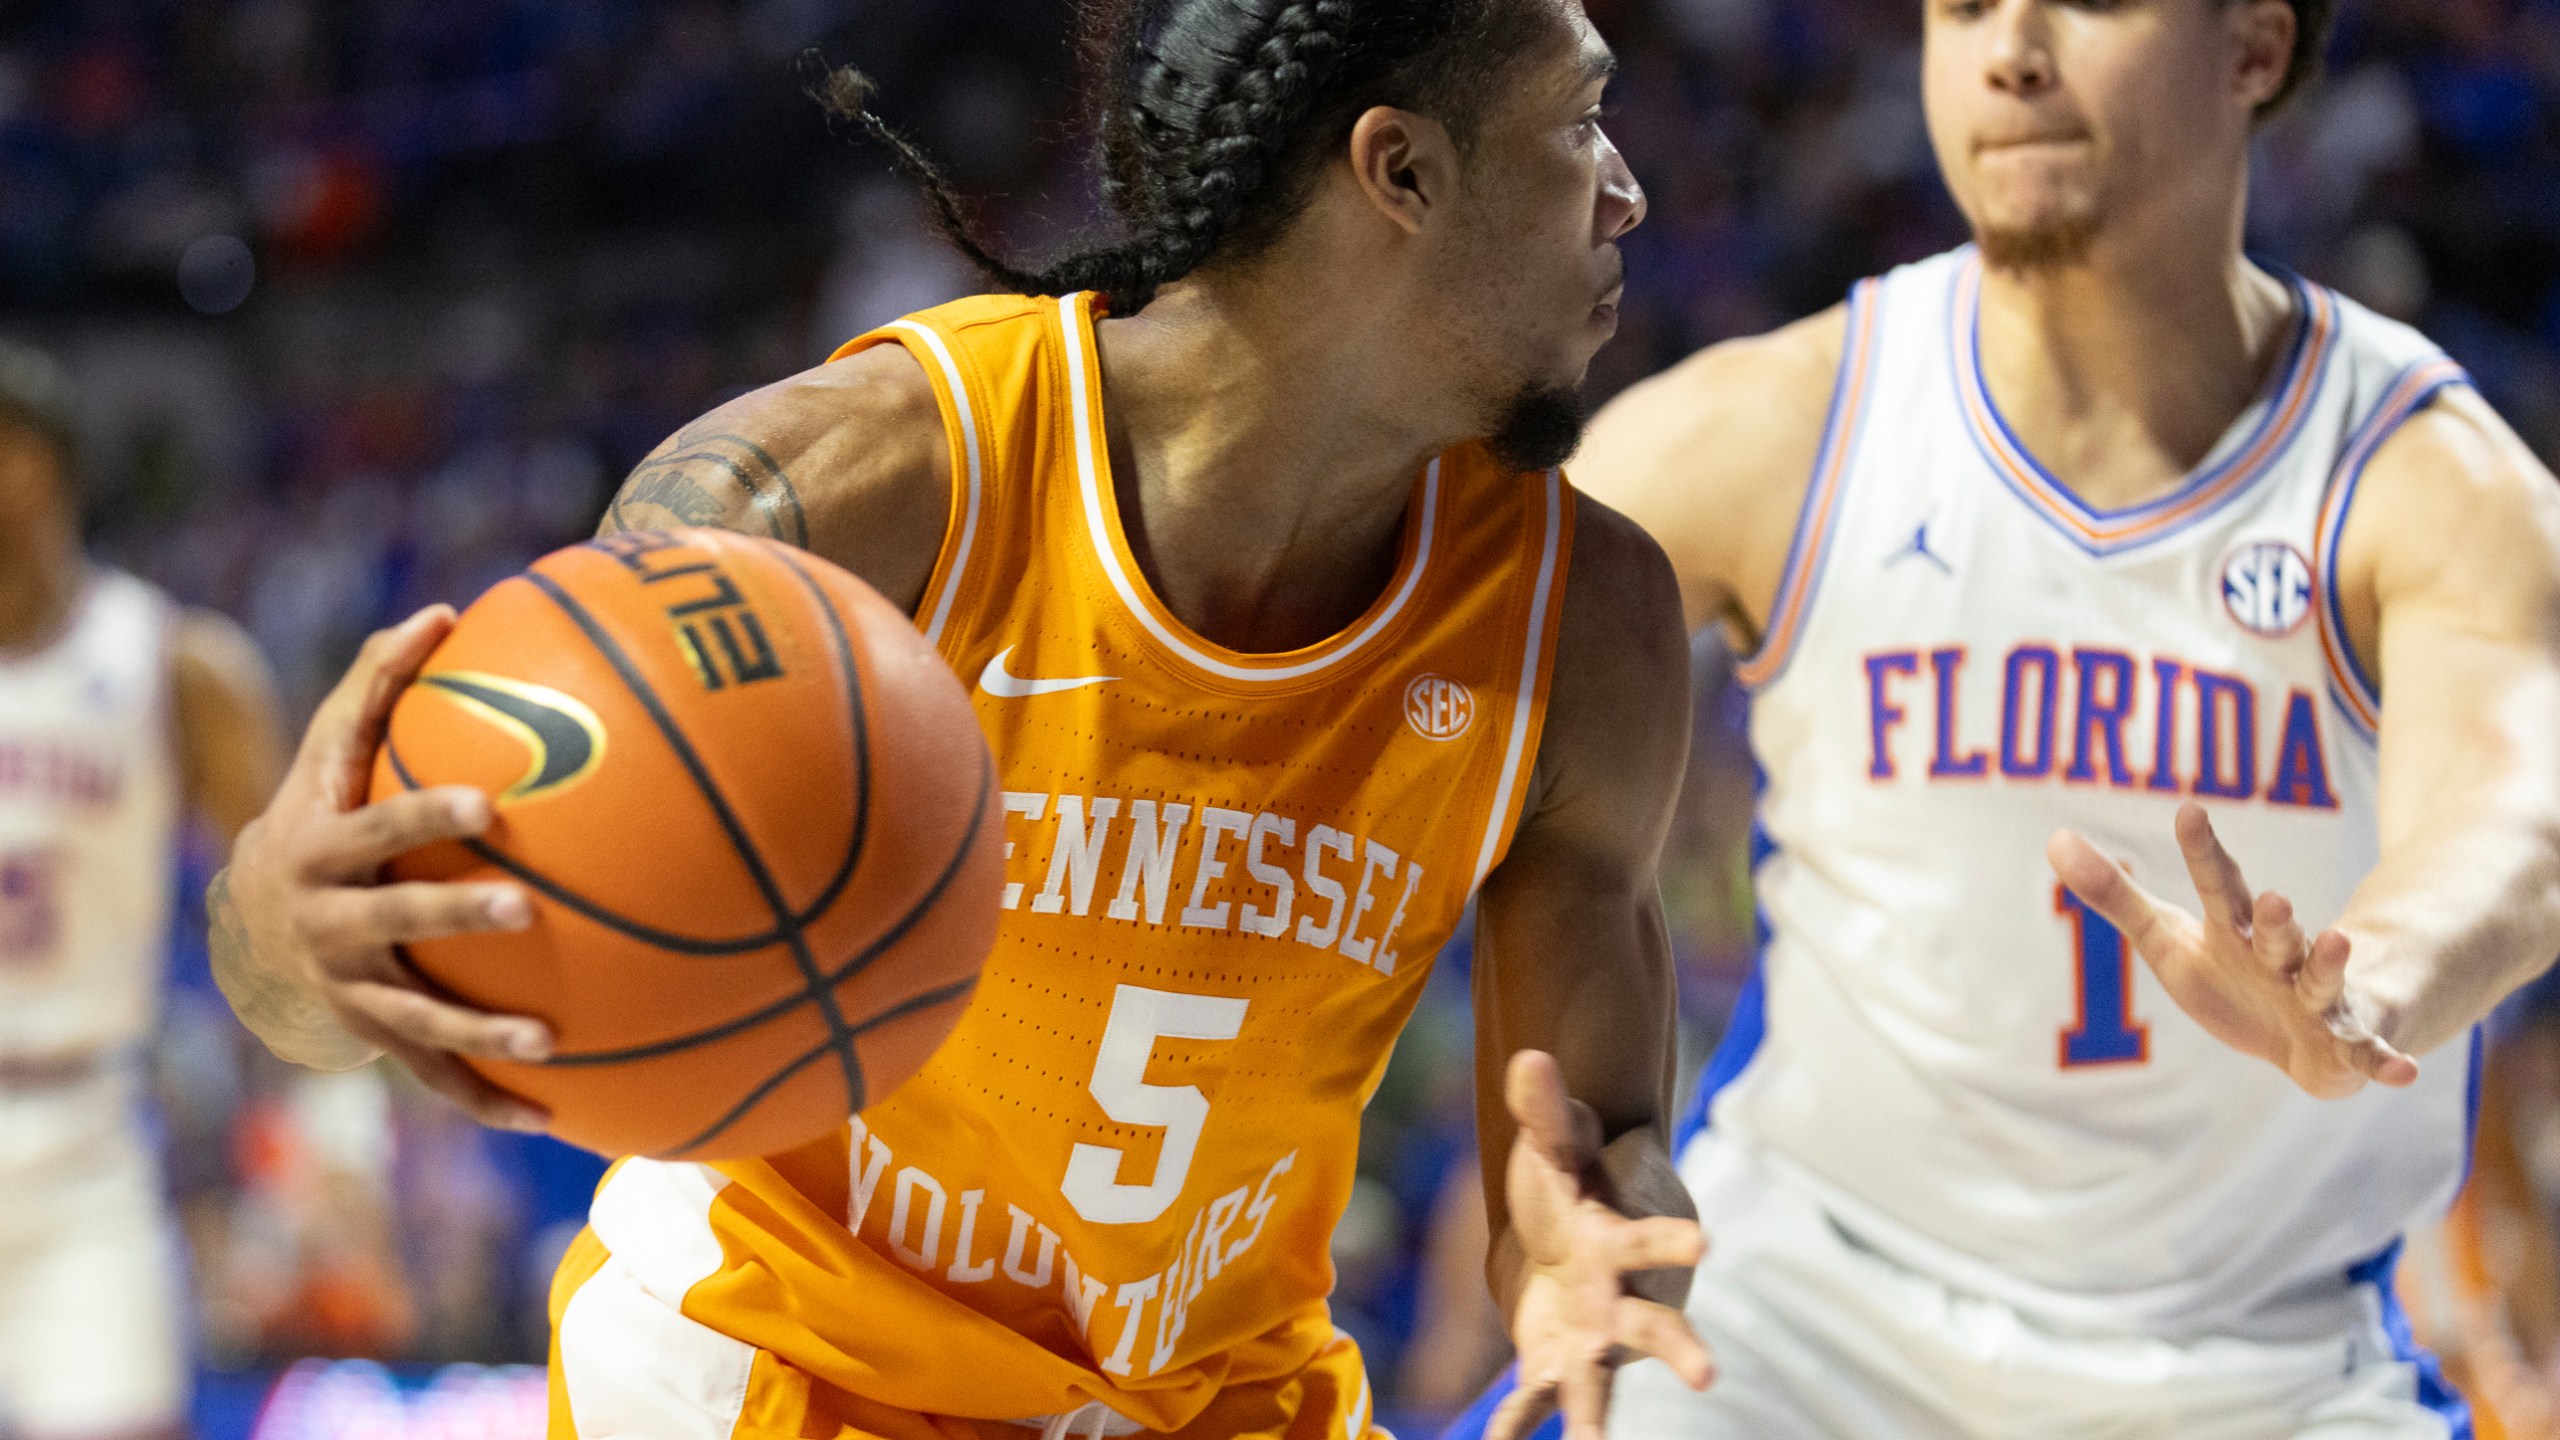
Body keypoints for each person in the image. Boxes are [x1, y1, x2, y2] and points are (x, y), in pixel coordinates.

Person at [203, 2, 1719, 1437]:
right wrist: (285, 933)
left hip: (1215, 1394)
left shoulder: (1584, 629)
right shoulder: (851, 492)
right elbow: (344, 987)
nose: (1629, 194)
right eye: (1583, 120)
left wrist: (1596, 1240)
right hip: (782, 1357)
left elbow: (1572, 1173)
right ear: (1399, 169)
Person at [1445, 0, 2560, 1435]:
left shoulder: (2424, 476)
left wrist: (2363, 985)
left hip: (2258, 1373)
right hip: (1795, 1315)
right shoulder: (1790, 422)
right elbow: (1420, 654)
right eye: (1961, 7)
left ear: (2258, 47)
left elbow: (2515, 818)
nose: (2010, 49)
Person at [0, 340, 287, 1439]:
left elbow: (286, 925)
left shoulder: (175, 664)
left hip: (84, 1138)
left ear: (27, 467)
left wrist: (326, 1143)